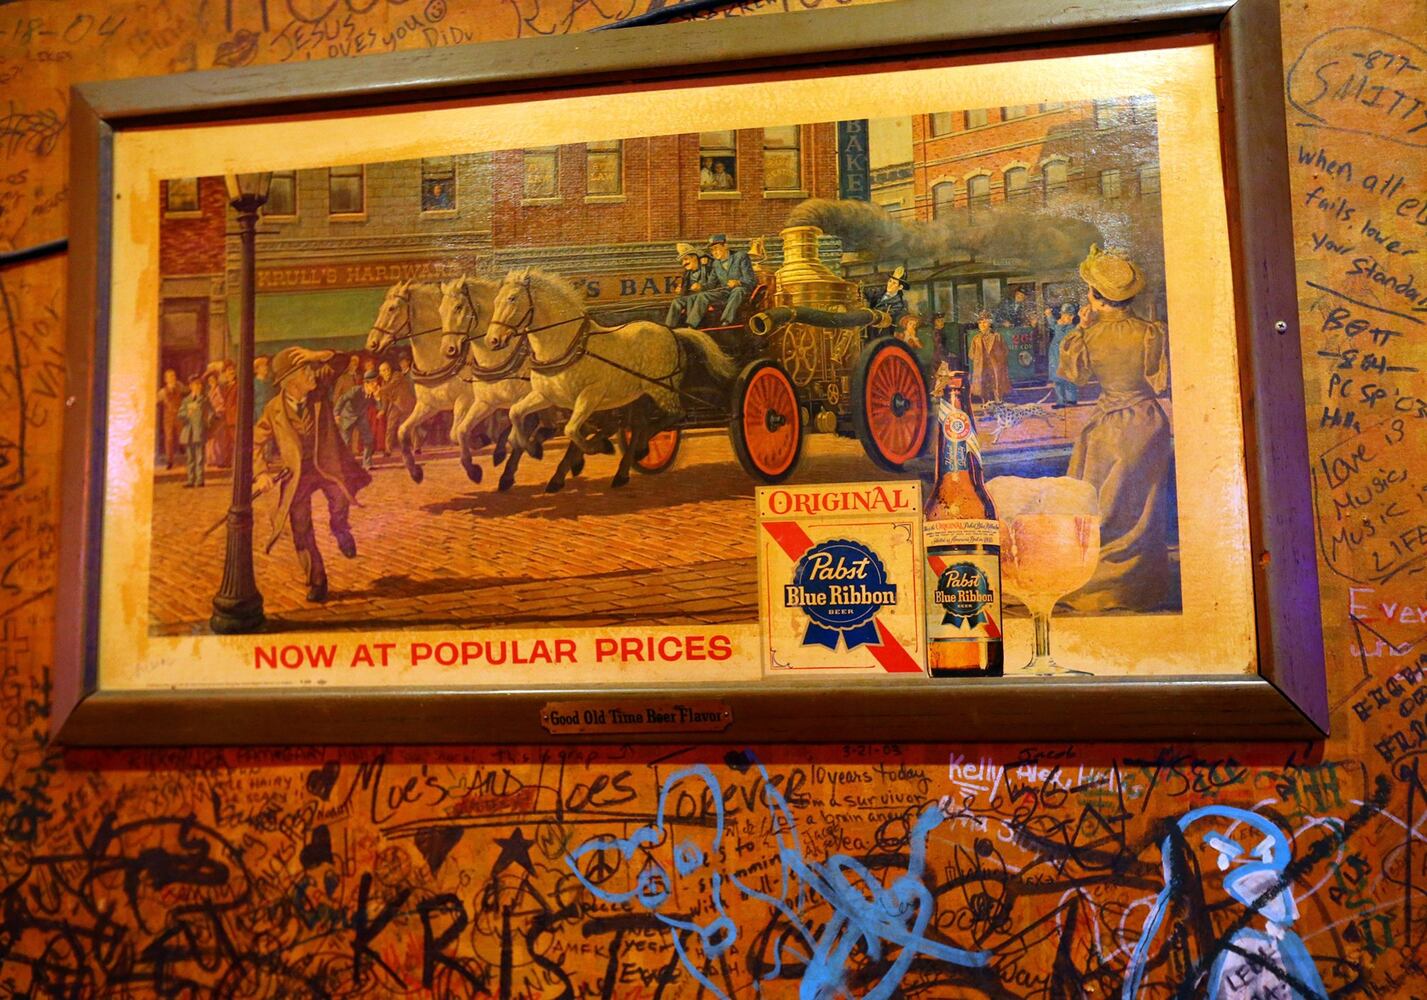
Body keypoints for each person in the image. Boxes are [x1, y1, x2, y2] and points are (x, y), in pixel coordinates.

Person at [1057, 244, 1172, 612]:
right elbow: (1158, 379)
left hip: (1107, 427)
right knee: (1143, 505)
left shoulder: (1087, 337)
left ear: (1094, 296)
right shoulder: (1150, 332)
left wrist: (1082, 327)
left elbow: (1075, 377)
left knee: (1102, 506)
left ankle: (1099, 583)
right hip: (1148, 424)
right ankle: (1139, 586)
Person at [252, 347, 372, 603]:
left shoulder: (319, 389)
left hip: (327, 465)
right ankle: (317, 579)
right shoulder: (274, 410)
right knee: (300, 525)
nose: (311, 373)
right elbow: (255, 443)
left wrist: (315, 356)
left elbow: (342, 361)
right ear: (290, 380)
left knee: (340, 499)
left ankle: (340, 528)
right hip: (297, 474)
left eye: (310, 368)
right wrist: (261, 473)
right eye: (305, 370)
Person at [689, 234, 755, 327]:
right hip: (726, 292)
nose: (714, 252)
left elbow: (750, 279)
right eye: (712, 250)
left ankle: (726, 321)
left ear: (725, 246)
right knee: (702, 296)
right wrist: (701, 287)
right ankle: (692, 324)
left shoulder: (740, 256)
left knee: (737, 290)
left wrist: (738, 282)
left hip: (743, 290)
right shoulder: (716, 264)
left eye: (716, 248)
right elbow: (711, 285)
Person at [335, 369, 378, 470]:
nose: (375, 384)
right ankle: (344, 466)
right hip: (348, 417)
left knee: (369, 439)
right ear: (366, 384)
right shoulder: (356, 390)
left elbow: (378, 407)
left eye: (376, 382)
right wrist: (336, 414)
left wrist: (378, 397)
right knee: (346, 442)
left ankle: (367, 464)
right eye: (373, 383)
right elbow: (342, 399)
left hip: (361, 417)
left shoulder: (373, 394)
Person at [665, 242, 714, 327]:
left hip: (706, 298)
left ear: (694, 257)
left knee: (691, 299)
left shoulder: (708, 268)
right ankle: (669, 326)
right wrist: (681, 291)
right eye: (682, 261)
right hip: (693, 297)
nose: (683, 263)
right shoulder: (687, 273)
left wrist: (701, 287)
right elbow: (685, 291)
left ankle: (691, 326)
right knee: (676, 301)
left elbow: (714, 285)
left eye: (686, 259)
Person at [177, 374, 213, 487]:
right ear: (191, 386)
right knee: (190, 458)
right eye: (196, 384)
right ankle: (190, 479)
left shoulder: (204, 399)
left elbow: (211, 412)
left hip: (200, 431)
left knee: (200, 457)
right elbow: (180, 414)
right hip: (189, 432)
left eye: (200, 384)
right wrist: (187, 414)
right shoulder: (186, 400)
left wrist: (208, 422)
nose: (198, 387)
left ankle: (200, 480)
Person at [968, 311, 1011, 402]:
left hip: (995, 366)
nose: (982, 325)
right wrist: (979, 360)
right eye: (980, 323)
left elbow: (1005, 350)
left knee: (997, 384)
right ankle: (985, 402)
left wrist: (998, 361)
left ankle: (999, 401)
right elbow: (971, 354)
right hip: (982, 367)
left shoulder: (997, 337)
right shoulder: (976, 339)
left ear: (990, 323)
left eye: (985, 322)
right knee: (983, 385)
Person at [377, 360, 414, 456]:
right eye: (383, 370)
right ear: (380, 373)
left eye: (387, 369)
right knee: (390, 427)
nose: (386, 372)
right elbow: (384, 399)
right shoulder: (383, 383)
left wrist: (379, 390)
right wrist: (383, 410)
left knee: (411, 426)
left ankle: (416, 447)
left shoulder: (397, 375)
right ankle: (388, 450)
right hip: (394, 406)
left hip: (406, 404)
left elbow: (392, 384)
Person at [1048, 302, 1080, 408]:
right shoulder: (1058, 325)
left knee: (1069, 379)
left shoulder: (1072, 328)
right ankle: (1060, 401)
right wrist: (1049, 316)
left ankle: (1071, 400)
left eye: (1071, 316)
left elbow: (1063, 335)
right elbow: (1052, 325)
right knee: (1057, 379)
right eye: (1066, 315)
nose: (1069, 318)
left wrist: (1059, 324)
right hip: (1055, 356)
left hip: (1067, 356)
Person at [864, 266, 910, 334]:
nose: (890, 284)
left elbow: (886, 319)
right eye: (890, 281)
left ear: (900, 287)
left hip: (882, 333)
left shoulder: (898, 305)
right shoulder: (880, 292)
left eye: (894, 283)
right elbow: (867, 293)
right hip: (869, 329)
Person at [157, 368, 185, 470]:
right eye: (170, 376)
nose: (172, 378)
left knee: (182, 436)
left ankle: (182, 448)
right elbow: (156, 401)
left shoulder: (180, 387)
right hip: (168, 418)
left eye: (173, 376)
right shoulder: (162, 392)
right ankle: (170, 461)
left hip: (179, 417)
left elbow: (188, 392)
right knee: (169, 439)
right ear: (166, 379)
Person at [253, 355, 274, 425]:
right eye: (263, 366)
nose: (266, 368)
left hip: (270, 413)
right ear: (256, 369)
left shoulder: (270, 383)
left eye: (266, 365)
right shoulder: (254, 383)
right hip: (259, 413)